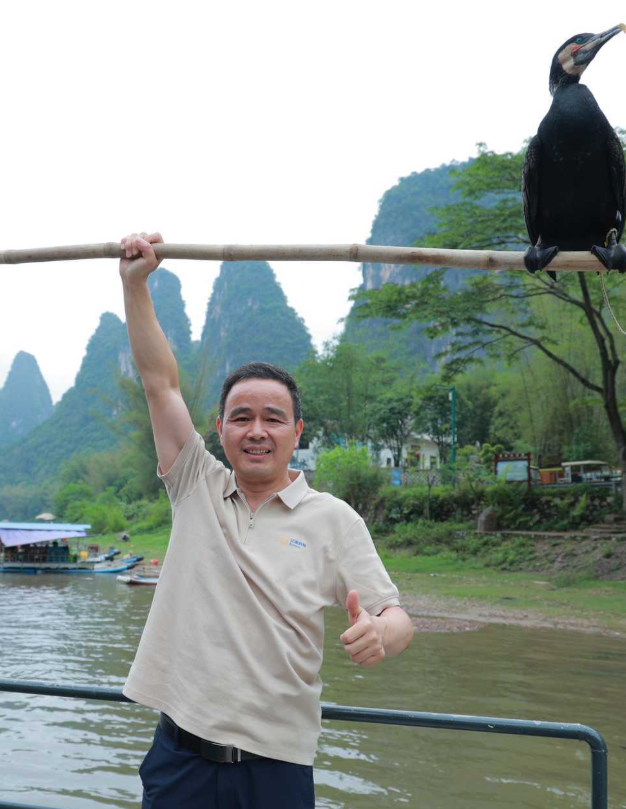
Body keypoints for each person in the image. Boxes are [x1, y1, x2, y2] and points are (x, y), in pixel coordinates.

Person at [118, 232, 414, 809]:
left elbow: (395, 613)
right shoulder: (194, 483)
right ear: (220, 428)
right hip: (180, 759)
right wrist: (135, 285)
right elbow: (160, 383)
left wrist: (383, 634)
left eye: (274, 418)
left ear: (297, 433)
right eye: (242, 417)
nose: (257, 430)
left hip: (276, 769)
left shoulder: (333, 520)